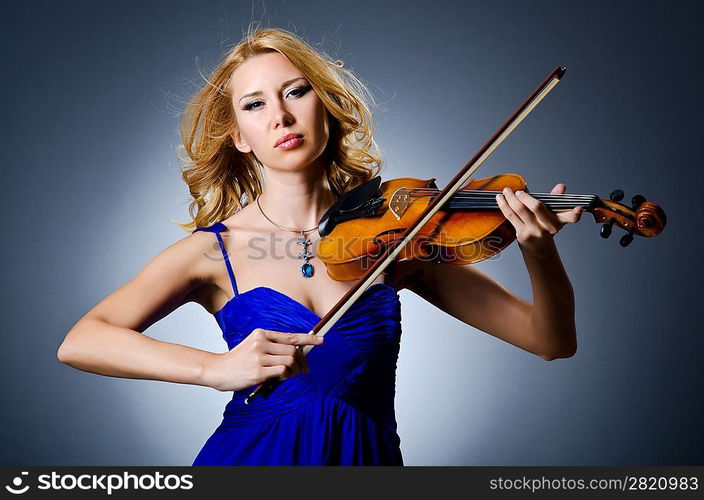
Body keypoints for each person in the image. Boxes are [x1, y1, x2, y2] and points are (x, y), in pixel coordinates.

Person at [56, 26, 583, 466]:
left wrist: (539, 251)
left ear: (325, 106)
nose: (280, 117)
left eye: (296, 91)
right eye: (255, 104)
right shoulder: (213, 251)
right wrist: (214, 369)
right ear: (240, 136)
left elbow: (550, 340)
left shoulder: (401, 239)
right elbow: (81, 341)